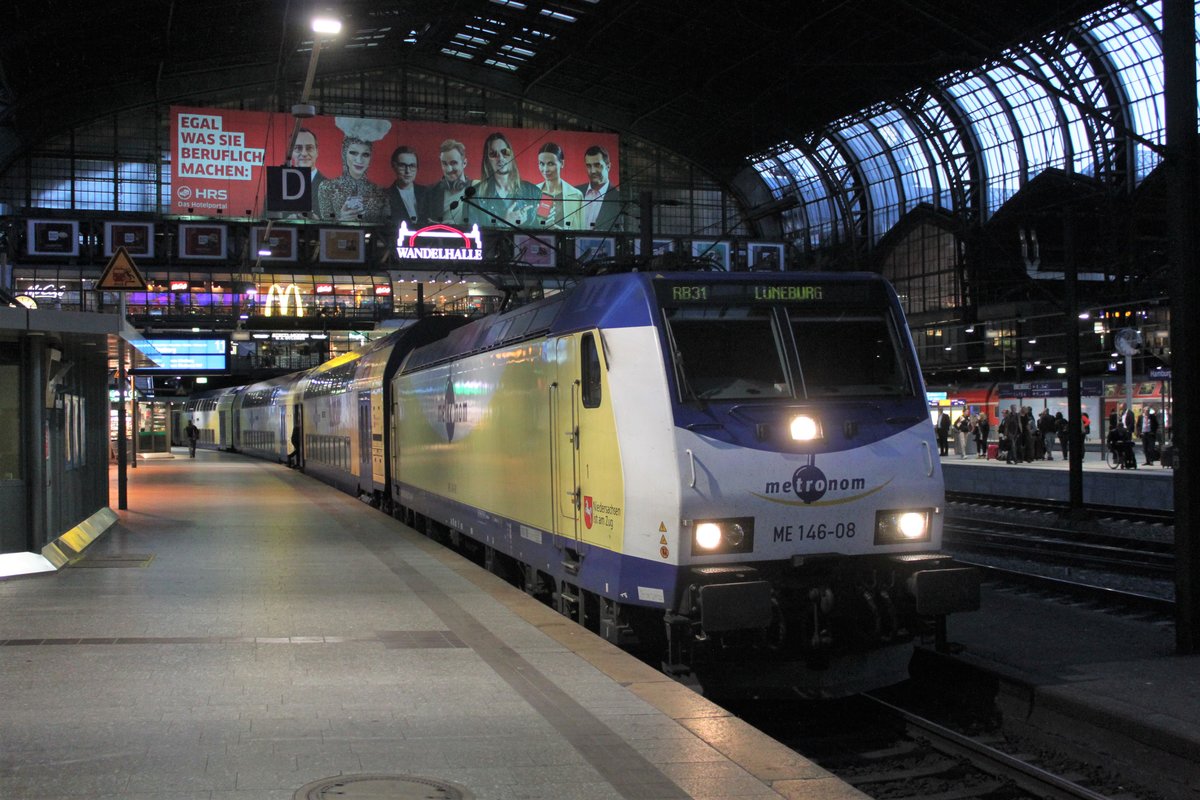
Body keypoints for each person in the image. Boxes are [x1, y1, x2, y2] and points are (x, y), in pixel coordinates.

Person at [317, 117, 391, 223]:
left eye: (365, 154)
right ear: (344, 154)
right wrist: (341, 220)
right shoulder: (327, 188)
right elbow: (324, 226)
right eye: (353, 153)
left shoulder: (380, 192)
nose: (359, 160)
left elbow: (387, 226)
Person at [468, 131, 541, 229]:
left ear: (511, 155)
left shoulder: (533, 192)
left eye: (505, 152)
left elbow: (541, 232)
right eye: (493, 154)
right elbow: (473, 233)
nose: (500, 158)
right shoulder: (476, 195)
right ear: (487, 160)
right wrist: (504, 224)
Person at [533, 142, 583, 230]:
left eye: (550, 164)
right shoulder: (532, 192)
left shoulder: (576, 195)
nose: (545, 169)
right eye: (541, 164)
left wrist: (555, 229)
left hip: (565, 239)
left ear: (562, 163)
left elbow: (581, 229)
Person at [577, 144, 622, 232]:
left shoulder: (618, 197)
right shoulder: (575, 192)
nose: (592, 171)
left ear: (608, 166)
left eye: (597, 165)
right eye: (589, 166)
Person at [386, 145, 432, 228]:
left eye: (412, 166)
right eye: (402, 166)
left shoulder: (428, 193)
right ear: (394, 166)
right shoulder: (386, 196)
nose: (408, 171)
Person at [427, 139, 470, 225]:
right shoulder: (431, 192)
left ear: (464, 163)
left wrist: (458, 226)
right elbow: (422, 222)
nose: (448, 169)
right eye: (444, 164)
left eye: (453, 163)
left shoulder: (477, 190)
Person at [289, 128, 325, 217]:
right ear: (290, 152)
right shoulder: (278, 187)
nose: (304, 153)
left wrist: (319, 222)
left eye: (309, 148)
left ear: (317, 152)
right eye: (298, 148)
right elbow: (266, 217)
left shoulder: (331, 187)